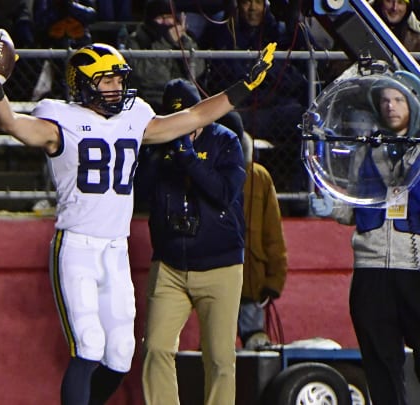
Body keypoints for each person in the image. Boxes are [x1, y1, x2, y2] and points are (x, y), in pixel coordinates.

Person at [0, 21, 275, 401]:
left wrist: (241, 89)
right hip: (77, 245)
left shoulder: (134, 118)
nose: (117, 87)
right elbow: (12, 124)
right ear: (83, 84)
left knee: (119, 356)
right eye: (107, 80)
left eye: (119, 79)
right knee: (88, 345)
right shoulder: (59, 120)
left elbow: (196, 117)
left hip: (116, 248)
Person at [310, 71, 420, 405]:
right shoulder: (366, 150)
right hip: (371, 268)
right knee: (380, 361)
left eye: (399, 99)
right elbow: (349, 211)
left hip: (415, 268)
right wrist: (330, 204)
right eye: (385, 100)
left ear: (413, 104)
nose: (390, 106)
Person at [133, 77, 245, 405]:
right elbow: (138, 194)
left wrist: (189, 159)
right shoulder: (157, 145)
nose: (184, 130)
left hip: (220, 265)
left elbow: (223, 194)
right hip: (169, 264)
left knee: (220, 358)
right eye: (175, 121)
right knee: (155, 347)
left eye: (190, 121)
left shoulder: (226, 141)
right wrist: (158, 155)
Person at [200, 0, 311, 214]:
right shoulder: (222, 29)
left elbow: (297, 72)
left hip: (272, 108)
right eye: (246, 2)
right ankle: (226, 200)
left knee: (305, 121)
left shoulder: (279, 30)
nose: (252, 8)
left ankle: (299, 197)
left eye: (258, 2)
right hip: (235, 109)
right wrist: (256, 72)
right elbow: (223, 74)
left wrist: (294, 20)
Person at [238, 130, 288, 350]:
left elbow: (273, 235)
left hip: (250, 281)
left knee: (255, 342)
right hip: (216, 279)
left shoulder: (259, 178)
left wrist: (274, 281)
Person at [125, 0, 204, 112]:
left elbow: (198, 69)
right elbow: (146, 75)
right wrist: (166, 43)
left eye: (169, 17)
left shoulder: (182, 38)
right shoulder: (137, 39)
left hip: (184, 97)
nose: (166, 22)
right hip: (153, 99)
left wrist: (184, 40)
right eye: (161, 18)